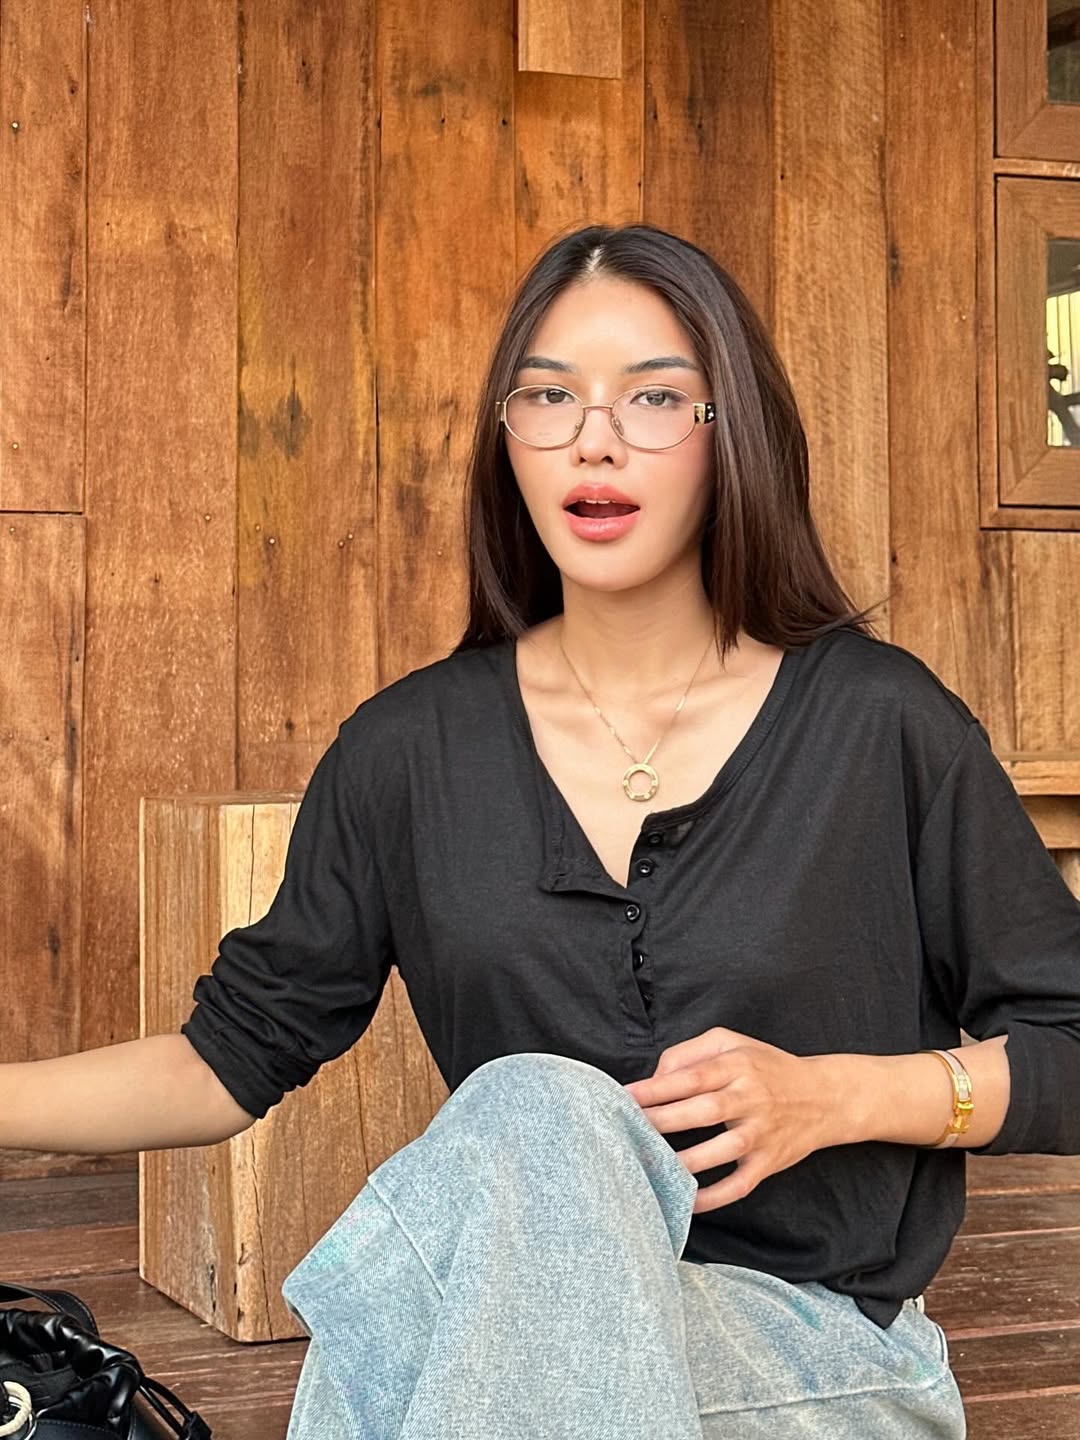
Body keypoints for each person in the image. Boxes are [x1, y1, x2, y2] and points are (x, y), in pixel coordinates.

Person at [4, 222, 1080, 1439]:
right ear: (507, 440)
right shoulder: (409, 752)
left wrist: (835, 1096)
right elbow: (228, 1057)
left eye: (654, 398)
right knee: (528, 1141)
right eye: (550, 396)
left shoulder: (882, 726)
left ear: (732, 431)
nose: (594, 438)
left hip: (813, 1356)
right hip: (509, 1352)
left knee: (521, 1138)